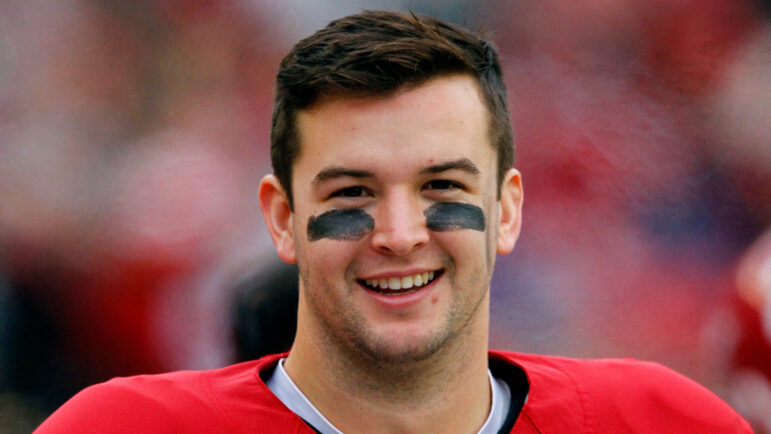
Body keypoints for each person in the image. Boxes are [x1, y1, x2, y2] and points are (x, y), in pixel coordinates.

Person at [36, 10, 750, 433]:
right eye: (351, 193)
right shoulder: (124, 428)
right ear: (281, 218)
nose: (400, 231)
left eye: (441, 184)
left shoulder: (656, 420)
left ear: (505, 211)